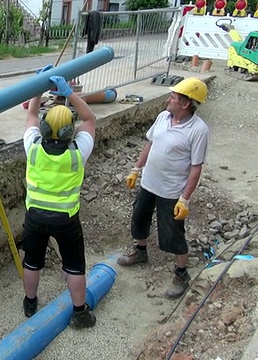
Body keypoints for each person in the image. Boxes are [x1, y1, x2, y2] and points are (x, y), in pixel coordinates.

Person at [118, 77, 210, 299]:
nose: (169, 99)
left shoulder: (198, 130)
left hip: (171, 191)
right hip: (149, 183)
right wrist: (136, 169)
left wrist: (185, 199)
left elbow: (196, 168)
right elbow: (151, 143)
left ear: (186, 104)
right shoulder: (163, 117)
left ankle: (181, 273)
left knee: (172, 233)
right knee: (139, 218)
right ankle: (140, 252)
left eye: (174, 97)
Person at [21, 67, 97, 329]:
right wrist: (70, 94)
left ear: (44, 127)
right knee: (75, 266)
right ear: (69, 132)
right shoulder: (78, 153)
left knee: (32, 262)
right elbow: (90, 119)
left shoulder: (32, 148)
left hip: (35, 217)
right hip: (66, 220)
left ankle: (30, 302)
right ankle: (79, 312)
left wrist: (38, 86)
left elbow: (31, 113)